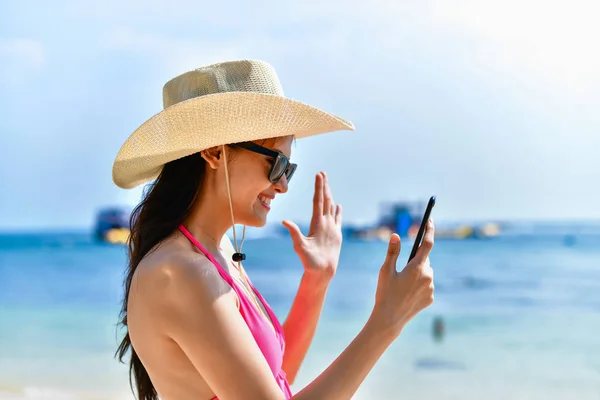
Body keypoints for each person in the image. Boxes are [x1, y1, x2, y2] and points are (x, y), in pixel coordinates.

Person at [113, 59, 435, 400]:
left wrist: (317, 279)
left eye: (289, 168)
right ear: (214, 152)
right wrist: (387, 320)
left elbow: (275, 379)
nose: (282, 184)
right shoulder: (181, 272)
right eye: (276, 163)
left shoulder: (214, 253)